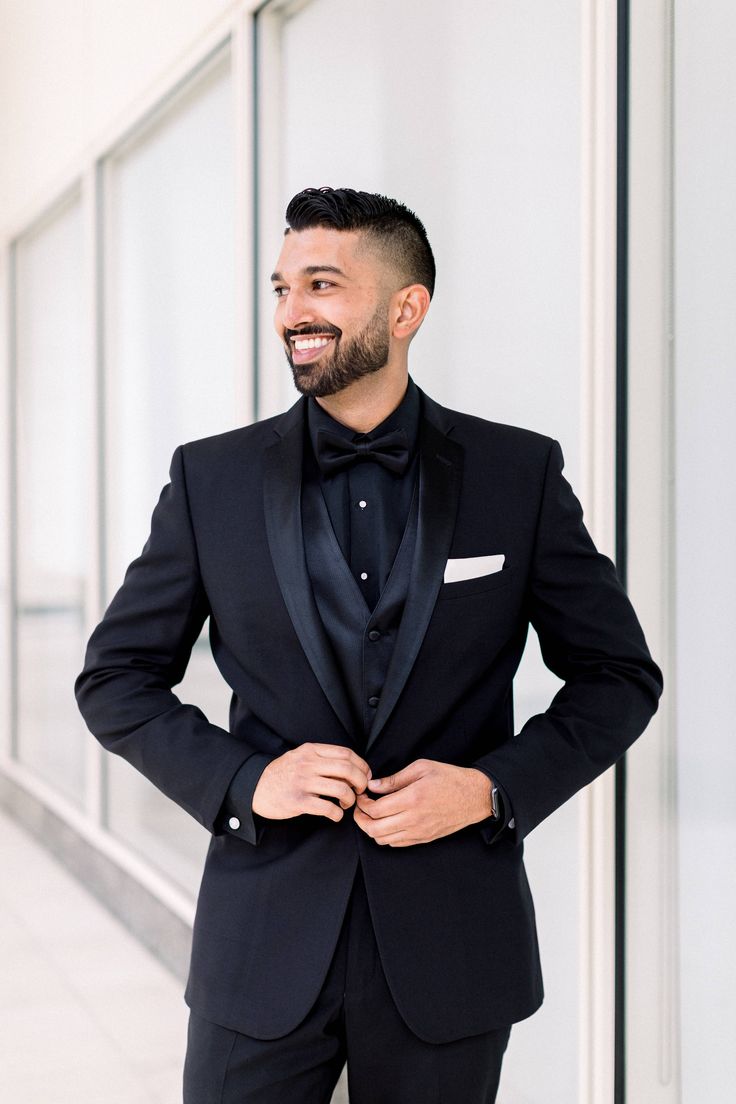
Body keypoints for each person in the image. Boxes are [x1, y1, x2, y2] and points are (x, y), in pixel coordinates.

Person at [75, 187, 662, 1103]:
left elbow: (618, 678)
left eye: (321, 285)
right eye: (281, 289)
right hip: (262, 939)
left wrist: (490, 788)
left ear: (406, 307)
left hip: (452, 948)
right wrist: (243, 782)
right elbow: (115, 679)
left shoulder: (518, 473)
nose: (292, 314)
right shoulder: (210, 480)